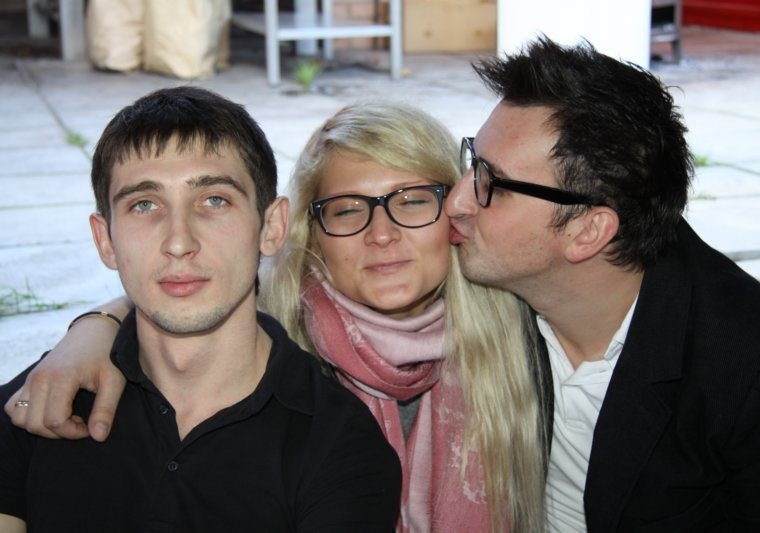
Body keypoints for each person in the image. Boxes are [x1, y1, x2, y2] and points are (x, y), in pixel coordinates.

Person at [4, 101, 548, 532]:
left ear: (455, 208)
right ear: (305, 235)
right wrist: (95, 327)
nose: (382, 235)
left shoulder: (518, 347)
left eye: (410, 201)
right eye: (347, 210)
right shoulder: (281, 334)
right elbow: (182, 292)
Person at [443, 37, 760, 530]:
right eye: (472, 161)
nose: (456, 202)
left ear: (588, 231)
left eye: (491, 183)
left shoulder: (754, 372)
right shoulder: (476, 281)